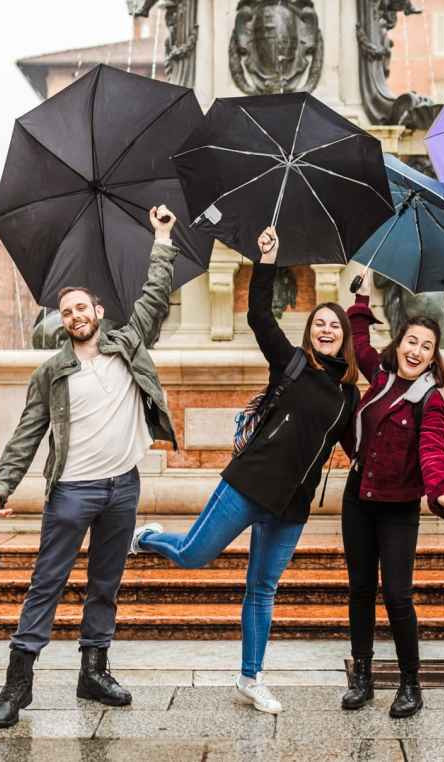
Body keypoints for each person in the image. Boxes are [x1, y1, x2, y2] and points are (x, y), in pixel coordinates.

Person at [135, 225, 361, 716]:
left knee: (262, 588)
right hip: (249, 480)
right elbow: (259, 314)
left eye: (335, 326)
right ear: (310, 331)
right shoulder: (293, 363)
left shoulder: (348, 395)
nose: (326, 330)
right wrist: (268, 259)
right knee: (194, 555)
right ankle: (150, 537)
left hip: (293, 504)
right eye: (320, 323)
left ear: (344, 337)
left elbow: (357, 447)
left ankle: (250, 677)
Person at [0, 206, 180, 729]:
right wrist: (5, 481)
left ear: (98, 309)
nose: (75, 317)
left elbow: (155, 295)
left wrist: (162, 237)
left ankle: (93, 672)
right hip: (72, 491)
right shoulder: (52, 372)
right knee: (46, 584)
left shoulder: (126, 345)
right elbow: (28, 432)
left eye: (81, 308)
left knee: (105, 584)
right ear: (61, 322)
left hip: (123, 487)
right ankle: (17, 685)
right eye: (66, 312)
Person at [339, 267, 444, 719]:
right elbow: (358, 341)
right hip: (357, 498)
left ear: (434, 357)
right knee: (359, 590)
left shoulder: (430, 399)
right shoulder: (379, 375)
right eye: (411, 341)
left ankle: (410, 682)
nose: (416, 350)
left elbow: (433, 450)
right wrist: (362, 299)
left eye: (426, 347)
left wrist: (442, 493)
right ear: (400, 343)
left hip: (398, 508)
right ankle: (362, 675)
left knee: (396, 595)